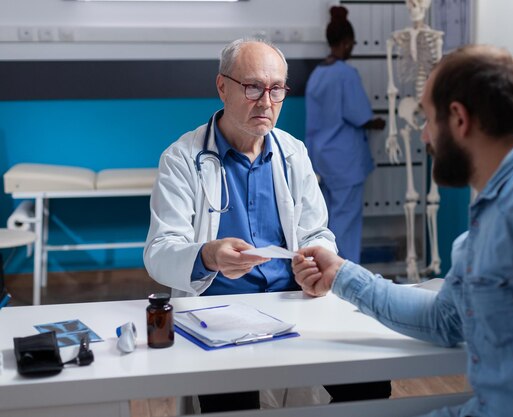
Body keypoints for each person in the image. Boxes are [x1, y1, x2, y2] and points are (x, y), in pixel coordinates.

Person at [293, 44, 513, 417]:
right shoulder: (486, 220)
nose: (423, 136)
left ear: (458, 119)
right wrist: (341, 274)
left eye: (427, 119)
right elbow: (446, 318)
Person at [144, 37, 389, 412]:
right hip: (217, 310)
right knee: (232, 398)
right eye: (254, 87)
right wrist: (207, 255)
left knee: (369, 379)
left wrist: (317, 260)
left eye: (276, 89)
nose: (266, 102)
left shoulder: (292, 152)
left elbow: (316, 232)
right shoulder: (182, 159)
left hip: (292, 304)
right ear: (222, 87)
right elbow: (159, 253)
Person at [305, 6, 385, 263]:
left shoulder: (318, 74)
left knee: (326, 221)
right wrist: (378, 122)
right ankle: (343, 274)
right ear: (346, 42)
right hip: (345, 161)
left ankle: (324, 269)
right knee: (346, 224)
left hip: (322, 159)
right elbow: (359, 115)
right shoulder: (346, 75)